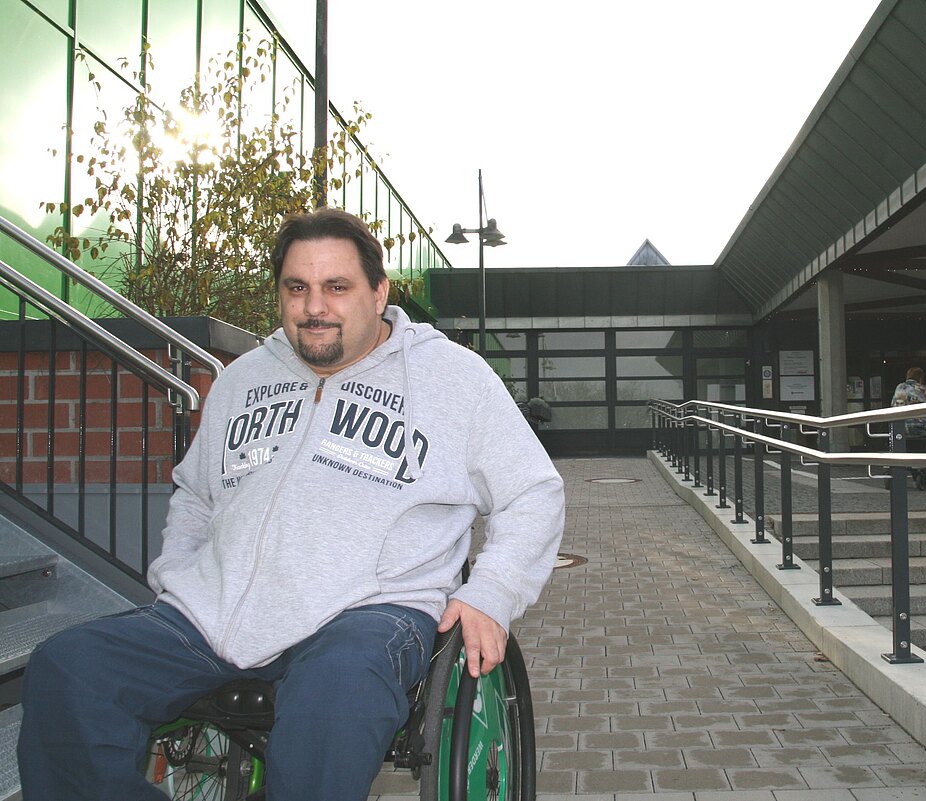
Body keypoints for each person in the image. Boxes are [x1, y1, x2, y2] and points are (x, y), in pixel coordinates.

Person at [17, 207, 566, 801]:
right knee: (68, 668)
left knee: (334, 694)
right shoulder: (243, 379)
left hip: (368, 612)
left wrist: (490, 594)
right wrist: (177, 573)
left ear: (378, 293)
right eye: (297, 287)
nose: (314, 307)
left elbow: (532, 491)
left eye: (337, 287)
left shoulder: (454, 378)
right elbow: (196, 493)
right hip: (215, 611)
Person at [890, 366, 926, 488]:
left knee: (906, 446)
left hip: (901, 428)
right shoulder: (924, 389)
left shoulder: (899, 388)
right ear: (920, 378)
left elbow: (893, 404)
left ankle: (911, 472)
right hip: (921, 428)